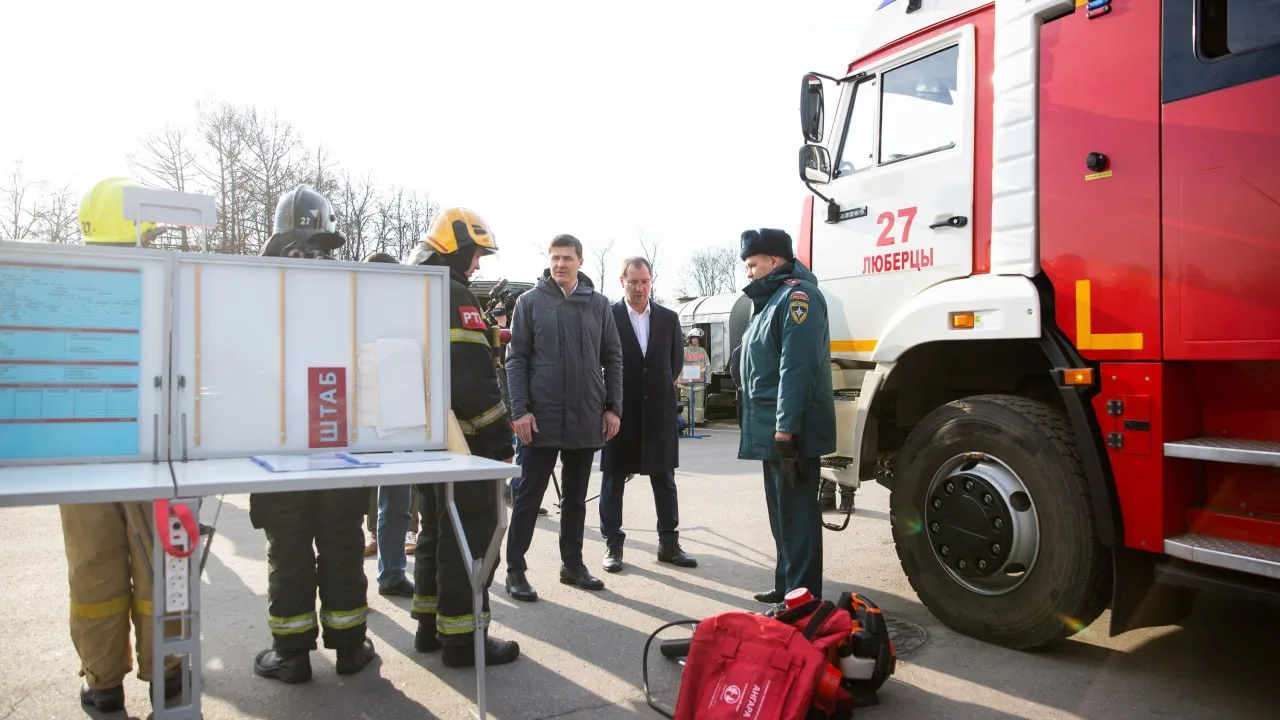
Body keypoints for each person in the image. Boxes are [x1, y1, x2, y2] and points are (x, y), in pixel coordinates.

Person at [62, 177, 182, 712]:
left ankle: (103, 684)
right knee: (160, 566)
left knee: (94, 569)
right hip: (152, 454)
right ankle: (170, 677)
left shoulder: (63, 290)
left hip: (78, 458)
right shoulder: (162, 286)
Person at [250, 184, 376, 683]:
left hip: (276, 446)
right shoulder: (347, 291)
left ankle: (292, 655)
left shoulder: (255, 292)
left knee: (289, 548)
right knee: (342, 541)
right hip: (336, 441)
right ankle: (349, 648)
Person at [404, 207, 521, 666]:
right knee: (473, 535)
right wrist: (499, 438)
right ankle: (464, 640)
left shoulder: (415, 291)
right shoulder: (454, 295)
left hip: (426, 440)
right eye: (475, 254)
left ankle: (430, 627)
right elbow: (471, 378)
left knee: (435, 529)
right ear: (456, 246)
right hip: (465, 445)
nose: (477, 265)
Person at [503, 234, 624, 601]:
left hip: (586, 416)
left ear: (580, 262)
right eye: (555, 258)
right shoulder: (529, 302)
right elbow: (516, 359)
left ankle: (572, 565)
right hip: (541, 419)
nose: (560, 264)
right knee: (528, 495)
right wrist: (520, 410)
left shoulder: (599, 305)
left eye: (567, 258)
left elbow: (613, 358)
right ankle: (515, 571)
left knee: (575, 498)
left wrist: (613, 407)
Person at [737, 228, 836, 604]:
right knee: (782, 516)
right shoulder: (771, 300)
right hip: (769, 428)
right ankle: (786, 585)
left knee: (797, 519)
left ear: (774, 261)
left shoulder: (798, 297)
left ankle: (803, 598)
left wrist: (785, 427)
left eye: (753, 264)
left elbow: (797, 368)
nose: (749, 272)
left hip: (789, 431)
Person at [598, 257, 697, 573]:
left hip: (658, 414)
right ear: (622, 281)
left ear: (651, 281)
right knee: (613, 480)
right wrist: (607, 408)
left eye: (645, 282)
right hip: (618, 414)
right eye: (633, 282)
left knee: (664, 481)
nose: (639, 288)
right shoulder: (607, 317)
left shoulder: (668, 319)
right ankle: (613, 546)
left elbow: (675, 364)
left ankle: (669, 543)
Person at [359, 250, 420, 597]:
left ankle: (392, 574)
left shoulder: (407, 314)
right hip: (358, 424)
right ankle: (351, 585)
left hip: (398, 419)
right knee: (347, 513)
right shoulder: (351, 312)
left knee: (396, 503)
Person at [680, 328, 711, 425]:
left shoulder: (702, 351)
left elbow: (708, 366)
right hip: (686, 384)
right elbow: (679, 365)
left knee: (699, 404)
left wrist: (707, 380)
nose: (695, 340)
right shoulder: (684, 351)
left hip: (699, 384)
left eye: (697, 338)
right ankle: (685, 420)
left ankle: (698, 421)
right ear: (690, 339)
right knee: (686, 404)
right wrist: (680, 379)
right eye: (693, 338)